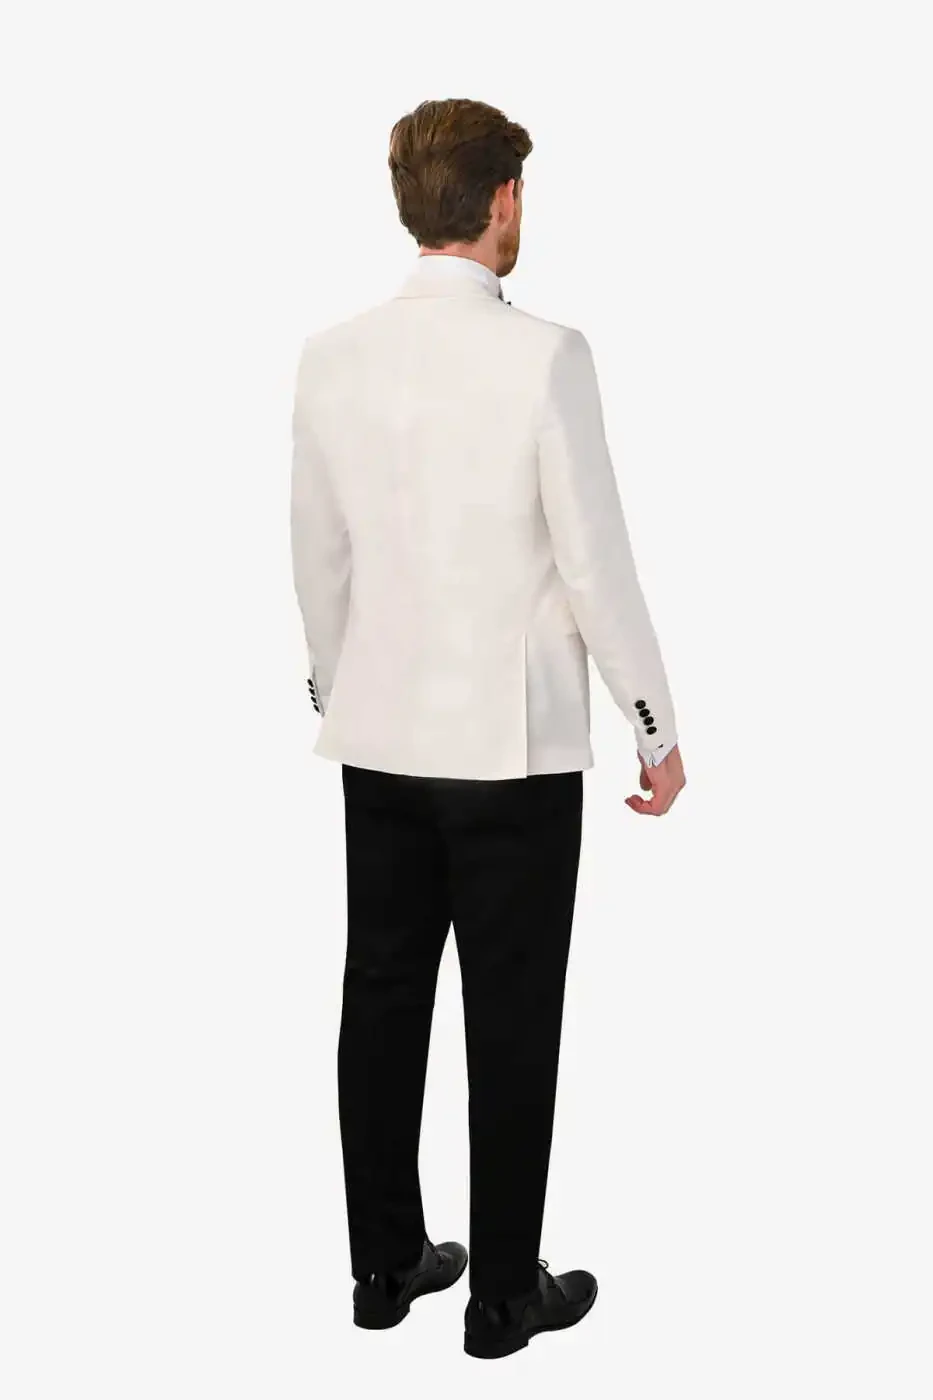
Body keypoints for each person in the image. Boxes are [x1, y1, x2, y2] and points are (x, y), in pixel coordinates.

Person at [290, 97, 686, 1361]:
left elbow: (318, 558)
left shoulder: (331, 356)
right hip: (511, 754)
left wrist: (337, 688)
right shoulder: (548, 355)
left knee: (379, 995)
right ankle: (503, 1295)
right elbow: (596, 562)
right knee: (511, 1016)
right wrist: (653, 725)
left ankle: (382, 1265)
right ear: (503, 199)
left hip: (379, 738)